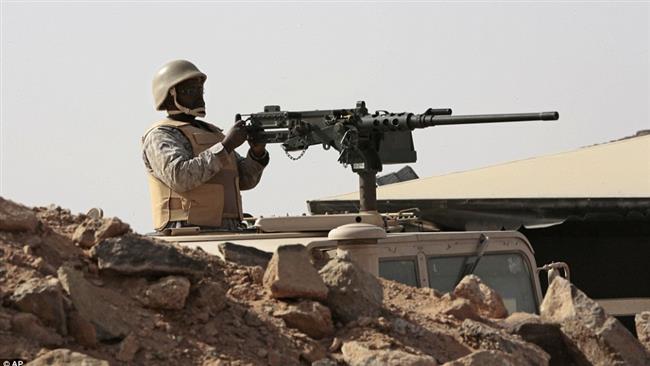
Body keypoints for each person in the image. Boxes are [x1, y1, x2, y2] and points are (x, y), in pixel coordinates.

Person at [142, 60, 269, 232]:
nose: (198, 96)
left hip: (229, 230)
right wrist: (227, 146)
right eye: (190, 91)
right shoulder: (161, 135)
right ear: (170, 95)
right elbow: (180, 177)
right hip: (189, 233)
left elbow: (244, 180)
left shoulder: (212, 132)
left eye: (200, 90)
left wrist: (256, 153)